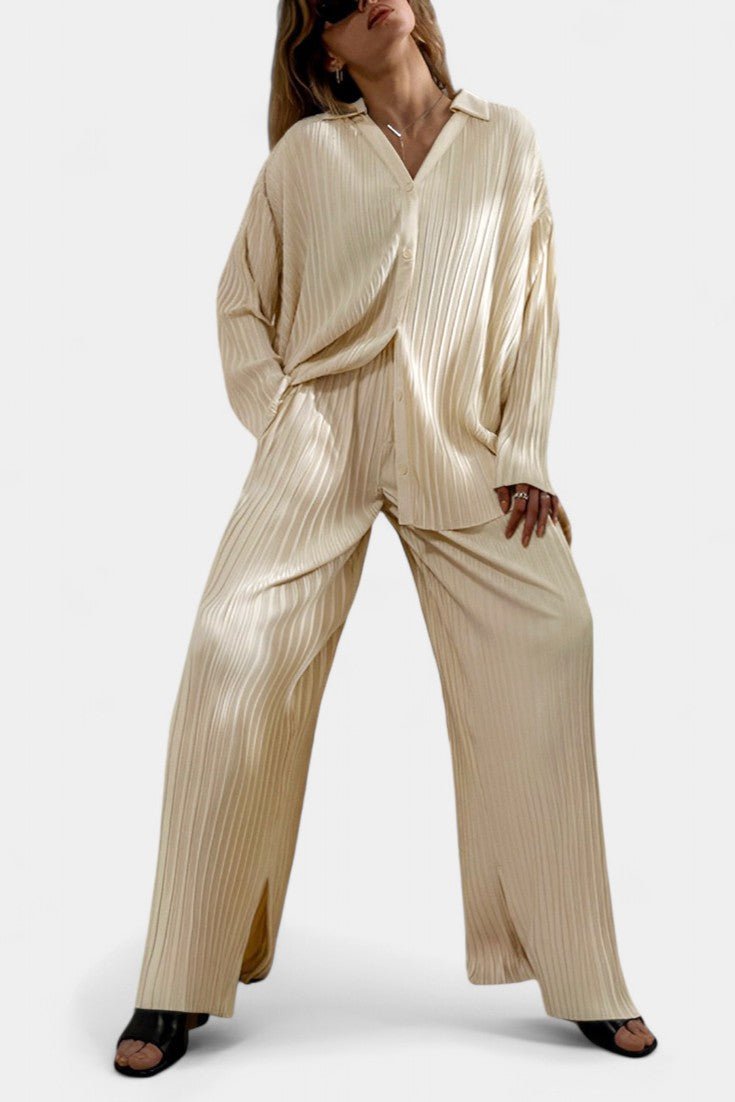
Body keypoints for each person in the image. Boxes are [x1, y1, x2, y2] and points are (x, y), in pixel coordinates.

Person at [114, 0, 657, 1076]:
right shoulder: (307, 157)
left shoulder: (505, 141)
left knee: (555, 631)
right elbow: (239, 303)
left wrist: (525, 453)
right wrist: (281, 417)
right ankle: (177, 977)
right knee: (229, 652)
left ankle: (586, 975)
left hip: (460, 443)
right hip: (321, 436)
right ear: (321, 48)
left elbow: (535, 308)